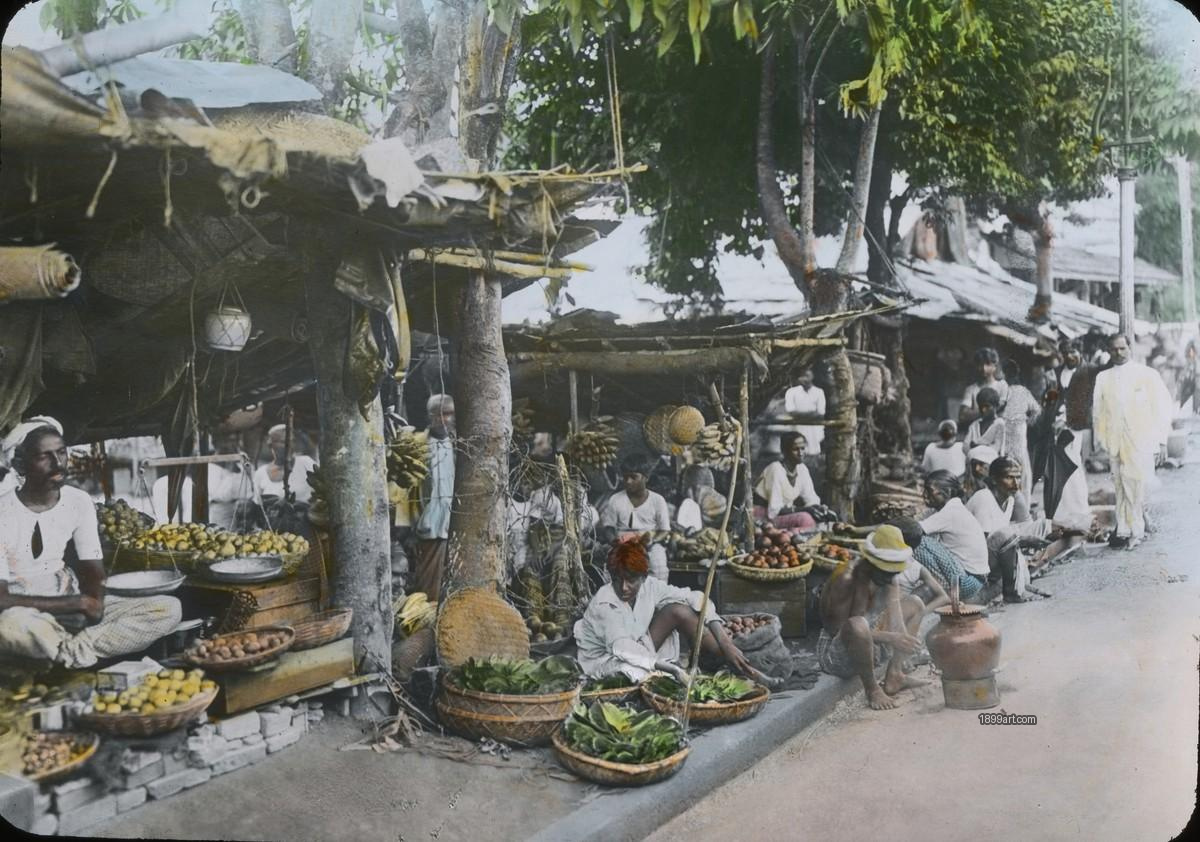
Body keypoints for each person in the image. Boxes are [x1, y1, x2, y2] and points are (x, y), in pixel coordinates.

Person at [0, 423, 181, 667]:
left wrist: (93, 603)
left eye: (62, 452)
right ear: (20, 465)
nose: (58, 463)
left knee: (168, 608)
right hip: (24, 609)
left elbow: (92, 566)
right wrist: (72, 605)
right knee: (10, 627)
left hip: (68, 594)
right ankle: (70, 650)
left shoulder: (79, 501)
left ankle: (68, 650)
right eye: (45, 456)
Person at [573, 539, 772, 685]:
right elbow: (623, 648)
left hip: (639, 646)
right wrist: (672, 669)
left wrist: (725, 642)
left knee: (679, 610)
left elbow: (697, 598)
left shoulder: (650, 586)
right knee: (632, 674)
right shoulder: (604, 603)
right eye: (617, 579)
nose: (623, 587)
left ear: (643, 576)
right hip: (607, 660)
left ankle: (740, 666)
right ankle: (673, 673)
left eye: (631, 579)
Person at [816, 525, 929, 710]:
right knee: (858, 624)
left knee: (915, 603)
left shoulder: (889, 576)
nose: (890, 578)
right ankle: (872, 690)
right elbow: (839, 630)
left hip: (871, 639)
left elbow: (895, 618)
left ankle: (895, 675)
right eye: (886, 572)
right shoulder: (846, 579)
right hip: (836, 651)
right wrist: (891, 638)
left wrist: (905, 641)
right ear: (872, 562)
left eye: (894, 572)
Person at [1092, 334, 1174, 549]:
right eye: (1114, 350)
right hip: (1115, 441)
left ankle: (1136, 531)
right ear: (1108, 351)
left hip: (1140, 440)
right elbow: (1098, 413)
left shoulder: (1147, 375)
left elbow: (1162, 408)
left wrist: (1161, 441)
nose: (1118, 354)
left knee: (1136, 485)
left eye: (1122, 348)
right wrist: (1100, 440)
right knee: (1120, 485)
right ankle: (1123, 529)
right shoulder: (1103, 378)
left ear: (1130, 348)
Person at [918, 471, 990, 600]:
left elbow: (915, 529)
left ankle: (942, 590)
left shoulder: (950, 512)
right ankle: (938, 587)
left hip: (968, 582)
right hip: (973, 578)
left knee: (919, 542)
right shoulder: (952, 508)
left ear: (948, 492)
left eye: (930, 491)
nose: (925, 495)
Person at [598, 457, 672, 581]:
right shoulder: (615, 499)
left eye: (633, 477)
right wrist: (615, 542)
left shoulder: (657, 500)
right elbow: (609, 528)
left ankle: (655, 598)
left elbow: (664, 530)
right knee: (612, 568)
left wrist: (651, 541)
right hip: (622, 542)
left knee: (658, 565)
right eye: (625, 477)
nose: (628, 481)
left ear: (646, 478)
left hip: (649, 543)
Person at [413, 394, 455, 597]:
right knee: (427, 581)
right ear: (430, 416)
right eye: (439, 414)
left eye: (448, 414)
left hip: (452, 522)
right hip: (426, 522)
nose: (444, 419)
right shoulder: (418, 445)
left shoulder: (458, 445)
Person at [891, 516, 983, 602]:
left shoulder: (919, 550)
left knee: (918, 594)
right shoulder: (922, 541)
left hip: (962, 585)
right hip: (960, 580)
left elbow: (943, 582)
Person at [753, 432, 833, 529]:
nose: (800, 453)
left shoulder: (802, 469)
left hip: (780, 513)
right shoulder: (775, 469)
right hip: (762, 515)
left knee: (823, 516)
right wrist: (807, 509)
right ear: (785, 451)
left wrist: (819, 508)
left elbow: (810, 497)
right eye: (795, 449)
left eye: (803, 448)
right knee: (805, 519)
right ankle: (798, 541)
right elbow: (774, 510)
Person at [999, 359, 1041, 499]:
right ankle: (1022, 502)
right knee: (1020, 467)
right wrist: (1028, 422)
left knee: (1006, 464)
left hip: (1009, 429)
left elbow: (1036, 410)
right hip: (1016, 428)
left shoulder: (1003, 390)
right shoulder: (1021, 391)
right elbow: (1037, 410)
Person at [254, 425, 317, 505]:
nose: (289, 445)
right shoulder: (260, 473)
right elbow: (258, 506)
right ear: (271, 444)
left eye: (292, 441)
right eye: (283, 442)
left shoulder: (305, 463)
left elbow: (323, 492)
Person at [959, 348, 1010, 428]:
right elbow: (963, 415)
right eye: (980, 364)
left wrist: (976, 413)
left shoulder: (1002, 385)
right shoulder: (971, 389)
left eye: (988, 364)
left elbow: (1004, 409)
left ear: (995, 366)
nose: (983, 368)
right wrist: (988, 412)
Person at [783, 368, 825, 455]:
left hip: (814, 429)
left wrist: (800, 414)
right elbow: (791, 411)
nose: (804, 379)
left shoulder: (819, 392)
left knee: (814, 453)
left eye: (807, 376)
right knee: (797, 450)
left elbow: (821, 413)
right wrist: (811, 413)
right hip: (798, 427)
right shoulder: (792, 392)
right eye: (802, 376)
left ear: (812, 377)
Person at [962, 386, 1007, 458]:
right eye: (980, 406)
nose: (983, 410)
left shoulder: (999, 424)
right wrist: (985, 446)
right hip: (973, 462)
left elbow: (996, 448)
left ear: (996, 406)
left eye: (987, 406)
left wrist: (976, 446)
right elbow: (965, 447)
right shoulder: (974, 425)